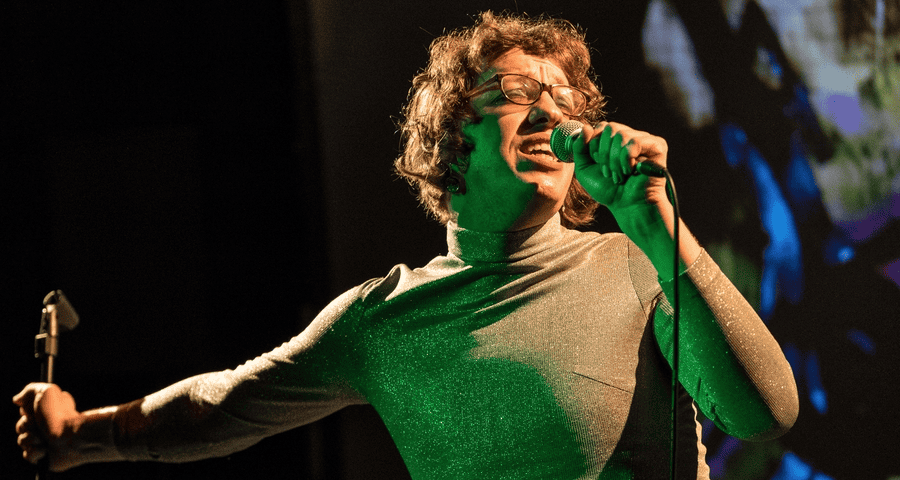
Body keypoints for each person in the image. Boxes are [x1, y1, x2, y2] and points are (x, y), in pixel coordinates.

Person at [14, 11, 798, 479]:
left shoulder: (635, 262)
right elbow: (218, 409)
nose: (551, 116)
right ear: (450, 137)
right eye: (518, 96)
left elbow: (764, 414)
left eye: (565, 101)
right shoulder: (381, 323)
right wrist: (79, 435)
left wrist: (659, 225)